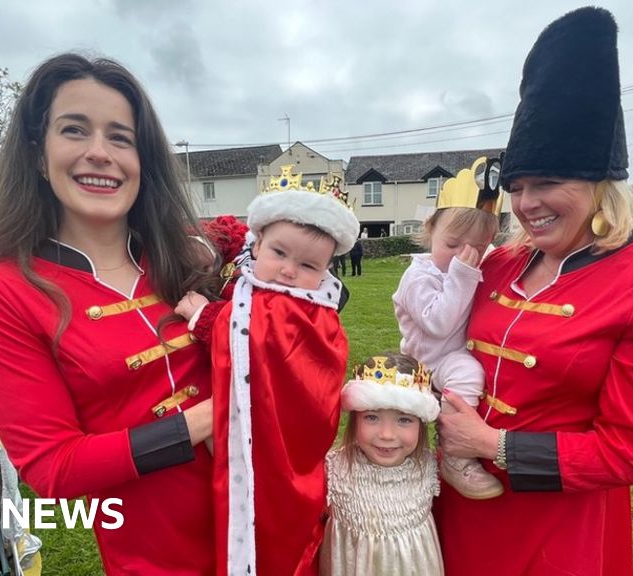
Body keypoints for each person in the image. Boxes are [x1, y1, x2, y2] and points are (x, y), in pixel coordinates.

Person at [432, 8, 633, 576]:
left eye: (549, 183)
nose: (527, 204)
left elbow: (629, 452)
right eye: (518, 187)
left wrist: (491, 445)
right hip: (457, 505)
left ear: (601, 186)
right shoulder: (501, 263)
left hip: (555, 526)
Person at [0, 53, 218, 575]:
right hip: (157, 551)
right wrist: (212, 417)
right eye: (74, 129)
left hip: (269, 513)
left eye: (121, 137)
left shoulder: (183, 257)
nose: (100, 152)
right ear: (37, 152)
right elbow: (54, 466)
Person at [175, 166, 359, 575]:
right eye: (280, 253)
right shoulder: (249, 284)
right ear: (256, 245)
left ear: (326, 270)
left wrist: (204, 317)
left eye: (308, 265)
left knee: (274, 519)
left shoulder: (310, 310)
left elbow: (260, 337)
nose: (290, 271)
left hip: (283, 443)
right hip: (233, 426)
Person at [393, 159, 503, 500]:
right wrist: (463, 275)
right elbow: (438, 324)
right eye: (452, 245)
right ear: (431, 230)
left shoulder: (471, 260)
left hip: (456, 350)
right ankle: (455, 453)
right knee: (468, 375)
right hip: (431, 360)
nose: (462, 256)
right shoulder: (418, 277)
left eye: (477, 248)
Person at [320, 353, 443, 576]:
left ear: (421, 424)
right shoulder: (333, 471)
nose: (387, 434)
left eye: (404, 420)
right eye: (372, 417)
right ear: (355, 419)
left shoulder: (429, 468)